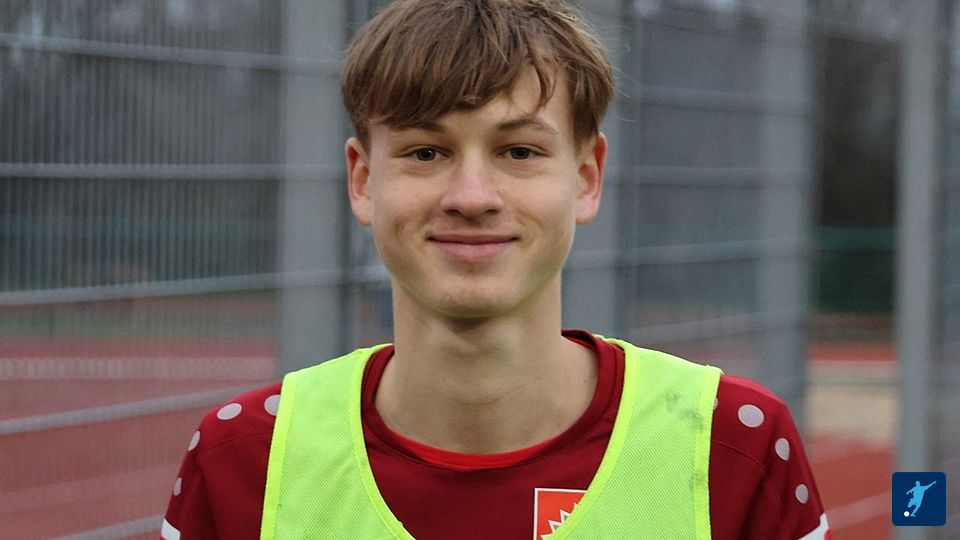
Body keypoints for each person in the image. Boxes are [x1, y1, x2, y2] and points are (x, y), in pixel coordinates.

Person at [162, 1, 829, 538]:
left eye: (518, 151)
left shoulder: (732, 447)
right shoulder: (243, 458)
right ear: (363, 181)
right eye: (426, 152)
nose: (472, 196)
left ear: (587, 177)